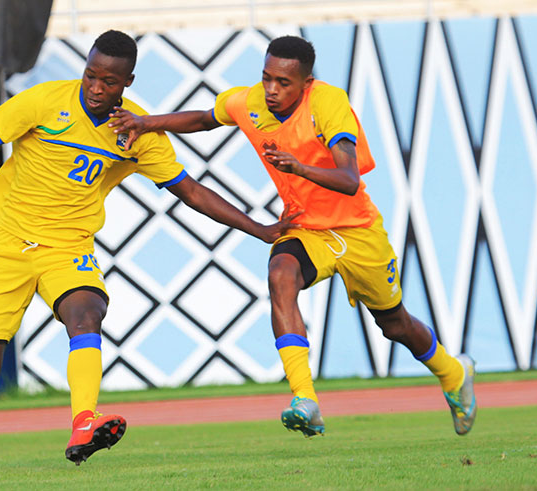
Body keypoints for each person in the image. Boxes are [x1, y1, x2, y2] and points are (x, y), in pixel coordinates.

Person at [0, 30, 300, 464]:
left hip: (68, 249)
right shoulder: (43, 102)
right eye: (90, 76)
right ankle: (66, 410)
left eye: (109, 82)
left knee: (87, 312)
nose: (95, 88)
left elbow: (191, 191)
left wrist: (257, 228)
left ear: (127, 82)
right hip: (7, 244)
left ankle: (84, 423)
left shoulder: (136, 130)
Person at [108, 35, 477, 438]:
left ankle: (453, 373)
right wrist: (145, 122)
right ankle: (305, 399)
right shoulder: (249, 102)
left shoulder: (328, 103)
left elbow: (350, 179)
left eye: (283, 83)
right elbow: (202, 119)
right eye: (267, 78)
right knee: (280, 273)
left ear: (306, 82)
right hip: (305, 229)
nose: (271, 90)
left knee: (395, 325)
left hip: (357, 232)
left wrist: (299, 168)